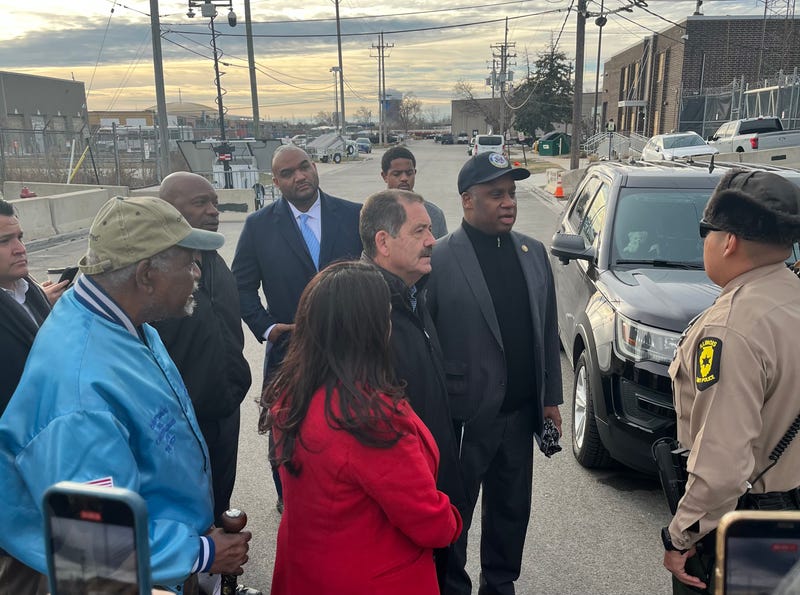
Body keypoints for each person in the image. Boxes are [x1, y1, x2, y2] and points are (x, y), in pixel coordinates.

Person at [0, 196, 251, 593]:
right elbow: (95, 543)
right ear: (147, 274)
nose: (197, 274)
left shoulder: (121, 320)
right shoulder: (80, 397)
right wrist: (198, 553)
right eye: (188, 263)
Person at [263, 260, 463, 595]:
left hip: (305, 569)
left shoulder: (294, 392)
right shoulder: (369, 419)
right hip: (373, 576)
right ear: (368, 328)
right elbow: (427, 522)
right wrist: (452, 519)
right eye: (385, 316)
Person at [426, 152, 563, 595]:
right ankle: (451, 585)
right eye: (495, 194)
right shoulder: (440, 258)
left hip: (520, 415)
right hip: (464, 416)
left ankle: (500, 583)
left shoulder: (532, 252)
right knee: (455, 509)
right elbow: (424, 342)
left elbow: (545, 329)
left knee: (511, 509)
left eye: (512, 193)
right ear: (467, 201)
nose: (508, 203)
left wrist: (549, 401)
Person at [662, 170, 800, 594]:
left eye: (706, 232)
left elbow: (722, 460)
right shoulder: (790, 296)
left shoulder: (731, 327)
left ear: (729, 241)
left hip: (747, 528)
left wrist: (681, 536)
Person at [232, 144, 362, 511]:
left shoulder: (353, 216)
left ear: (315, 166)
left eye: (304, 167)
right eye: (288, 173)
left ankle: (346, 496)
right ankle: (290, 499)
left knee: (350, 427)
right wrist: (267, 327)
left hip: (350, 348)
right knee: (286, 431)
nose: (299, 176)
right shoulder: (259, 226)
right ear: (275, 182)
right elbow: (240, 285)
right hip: (290, 351)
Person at [359, 189, 468, 590]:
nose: (431, 240)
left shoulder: (412, 293)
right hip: (409, 501)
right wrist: (423, 497)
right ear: (383, 242)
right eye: (419, 230)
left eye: (430, 229)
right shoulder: (368, 313)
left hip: (435, 484)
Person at [154, 172, 252, 522]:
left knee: (220, 493)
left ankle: (220, 574)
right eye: (201, 203)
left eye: (215, 202)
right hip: (184, 418)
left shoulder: (211, 256)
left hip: (226, 406)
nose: (214, 211)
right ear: (168, 210)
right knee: (189, 504)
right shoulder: (155, 270)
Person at [0, 199, 69, 594]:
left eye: (20, 237)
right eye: (5, 240)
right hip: (11, 473)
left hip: (49, 460)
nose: (20, 247)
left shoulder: (33, 294)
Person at [381, 146, 448, 238]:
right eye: (397, 174)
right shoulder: (372, 213)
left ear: (415, 173)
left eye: (409, 173)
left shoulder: (434, 214)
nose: (404, 178)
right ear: (384, 176)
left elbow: (441, 251)